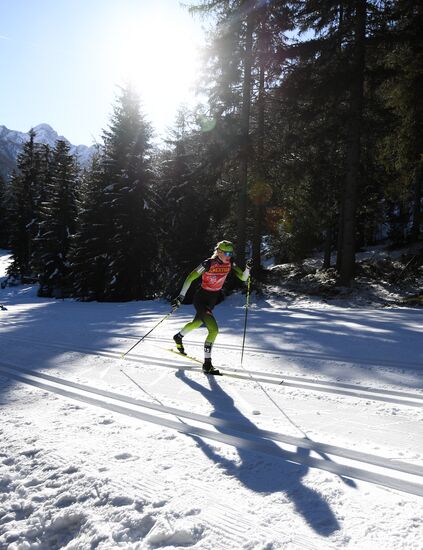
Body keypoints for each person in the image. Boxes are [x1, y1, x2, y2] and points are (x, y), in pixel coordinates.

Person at [171, 240, 251, 375]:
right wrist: (181, 296)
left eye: (231, 253)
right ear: (218, 252)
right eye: (226, 253)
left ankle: (178, 336)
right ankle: (207, 365)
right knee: (213, 330)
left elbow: (243, 278)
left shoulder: (230, 263)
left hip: (212, 300)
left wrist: (248, 268)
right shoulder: (208, 263)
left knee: (196, 323)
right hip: (201, 299)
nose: (229, 255)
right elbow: (190, 277)